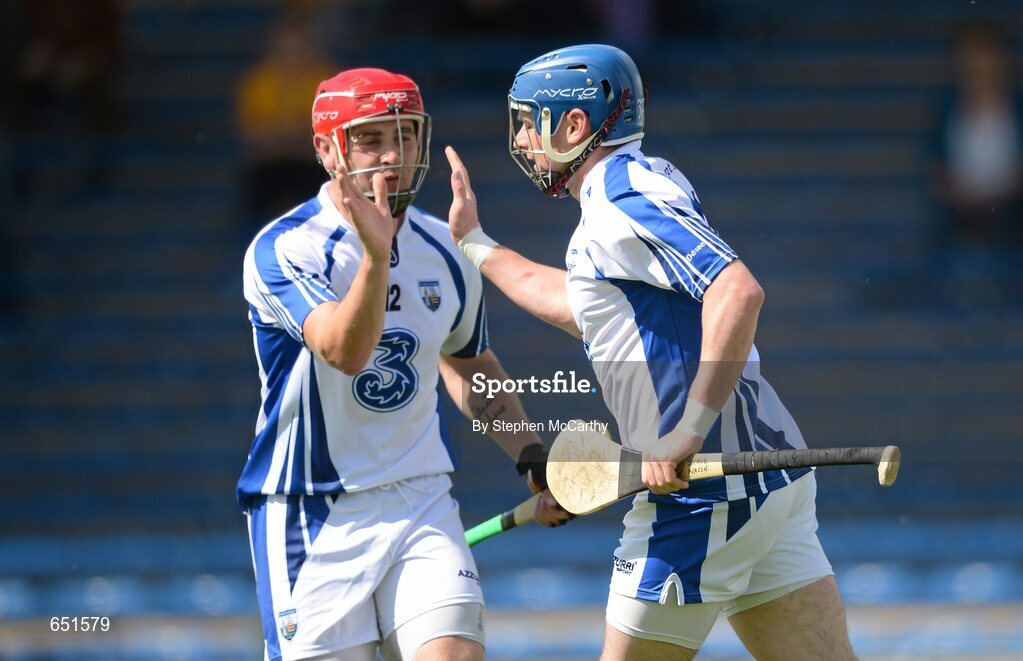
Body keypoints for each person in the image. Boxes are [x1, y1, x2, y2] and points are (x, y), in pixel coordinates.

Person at [446, 44, 856, 660]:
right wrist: (474, 243)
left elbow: (737, 291)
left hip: (701, 495)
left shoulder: (622, 203)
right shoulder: (635, 185)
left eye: (531, 121)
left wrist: (688, 430)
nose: (524, 139)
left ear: (575, 126)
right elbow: (582, 303)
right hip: (770, 479)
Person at [239, 67, 571, 661]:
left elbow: (468, 365)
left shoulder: (447, 247)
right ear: (326, 150)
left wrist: (534, 463)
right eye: (370, 139)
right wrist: (377, 254)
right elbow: (345, 350)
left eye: (406, 135)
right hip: (310, 517)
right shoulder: (285, 249)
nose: (393, 155)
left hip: (420, 501)